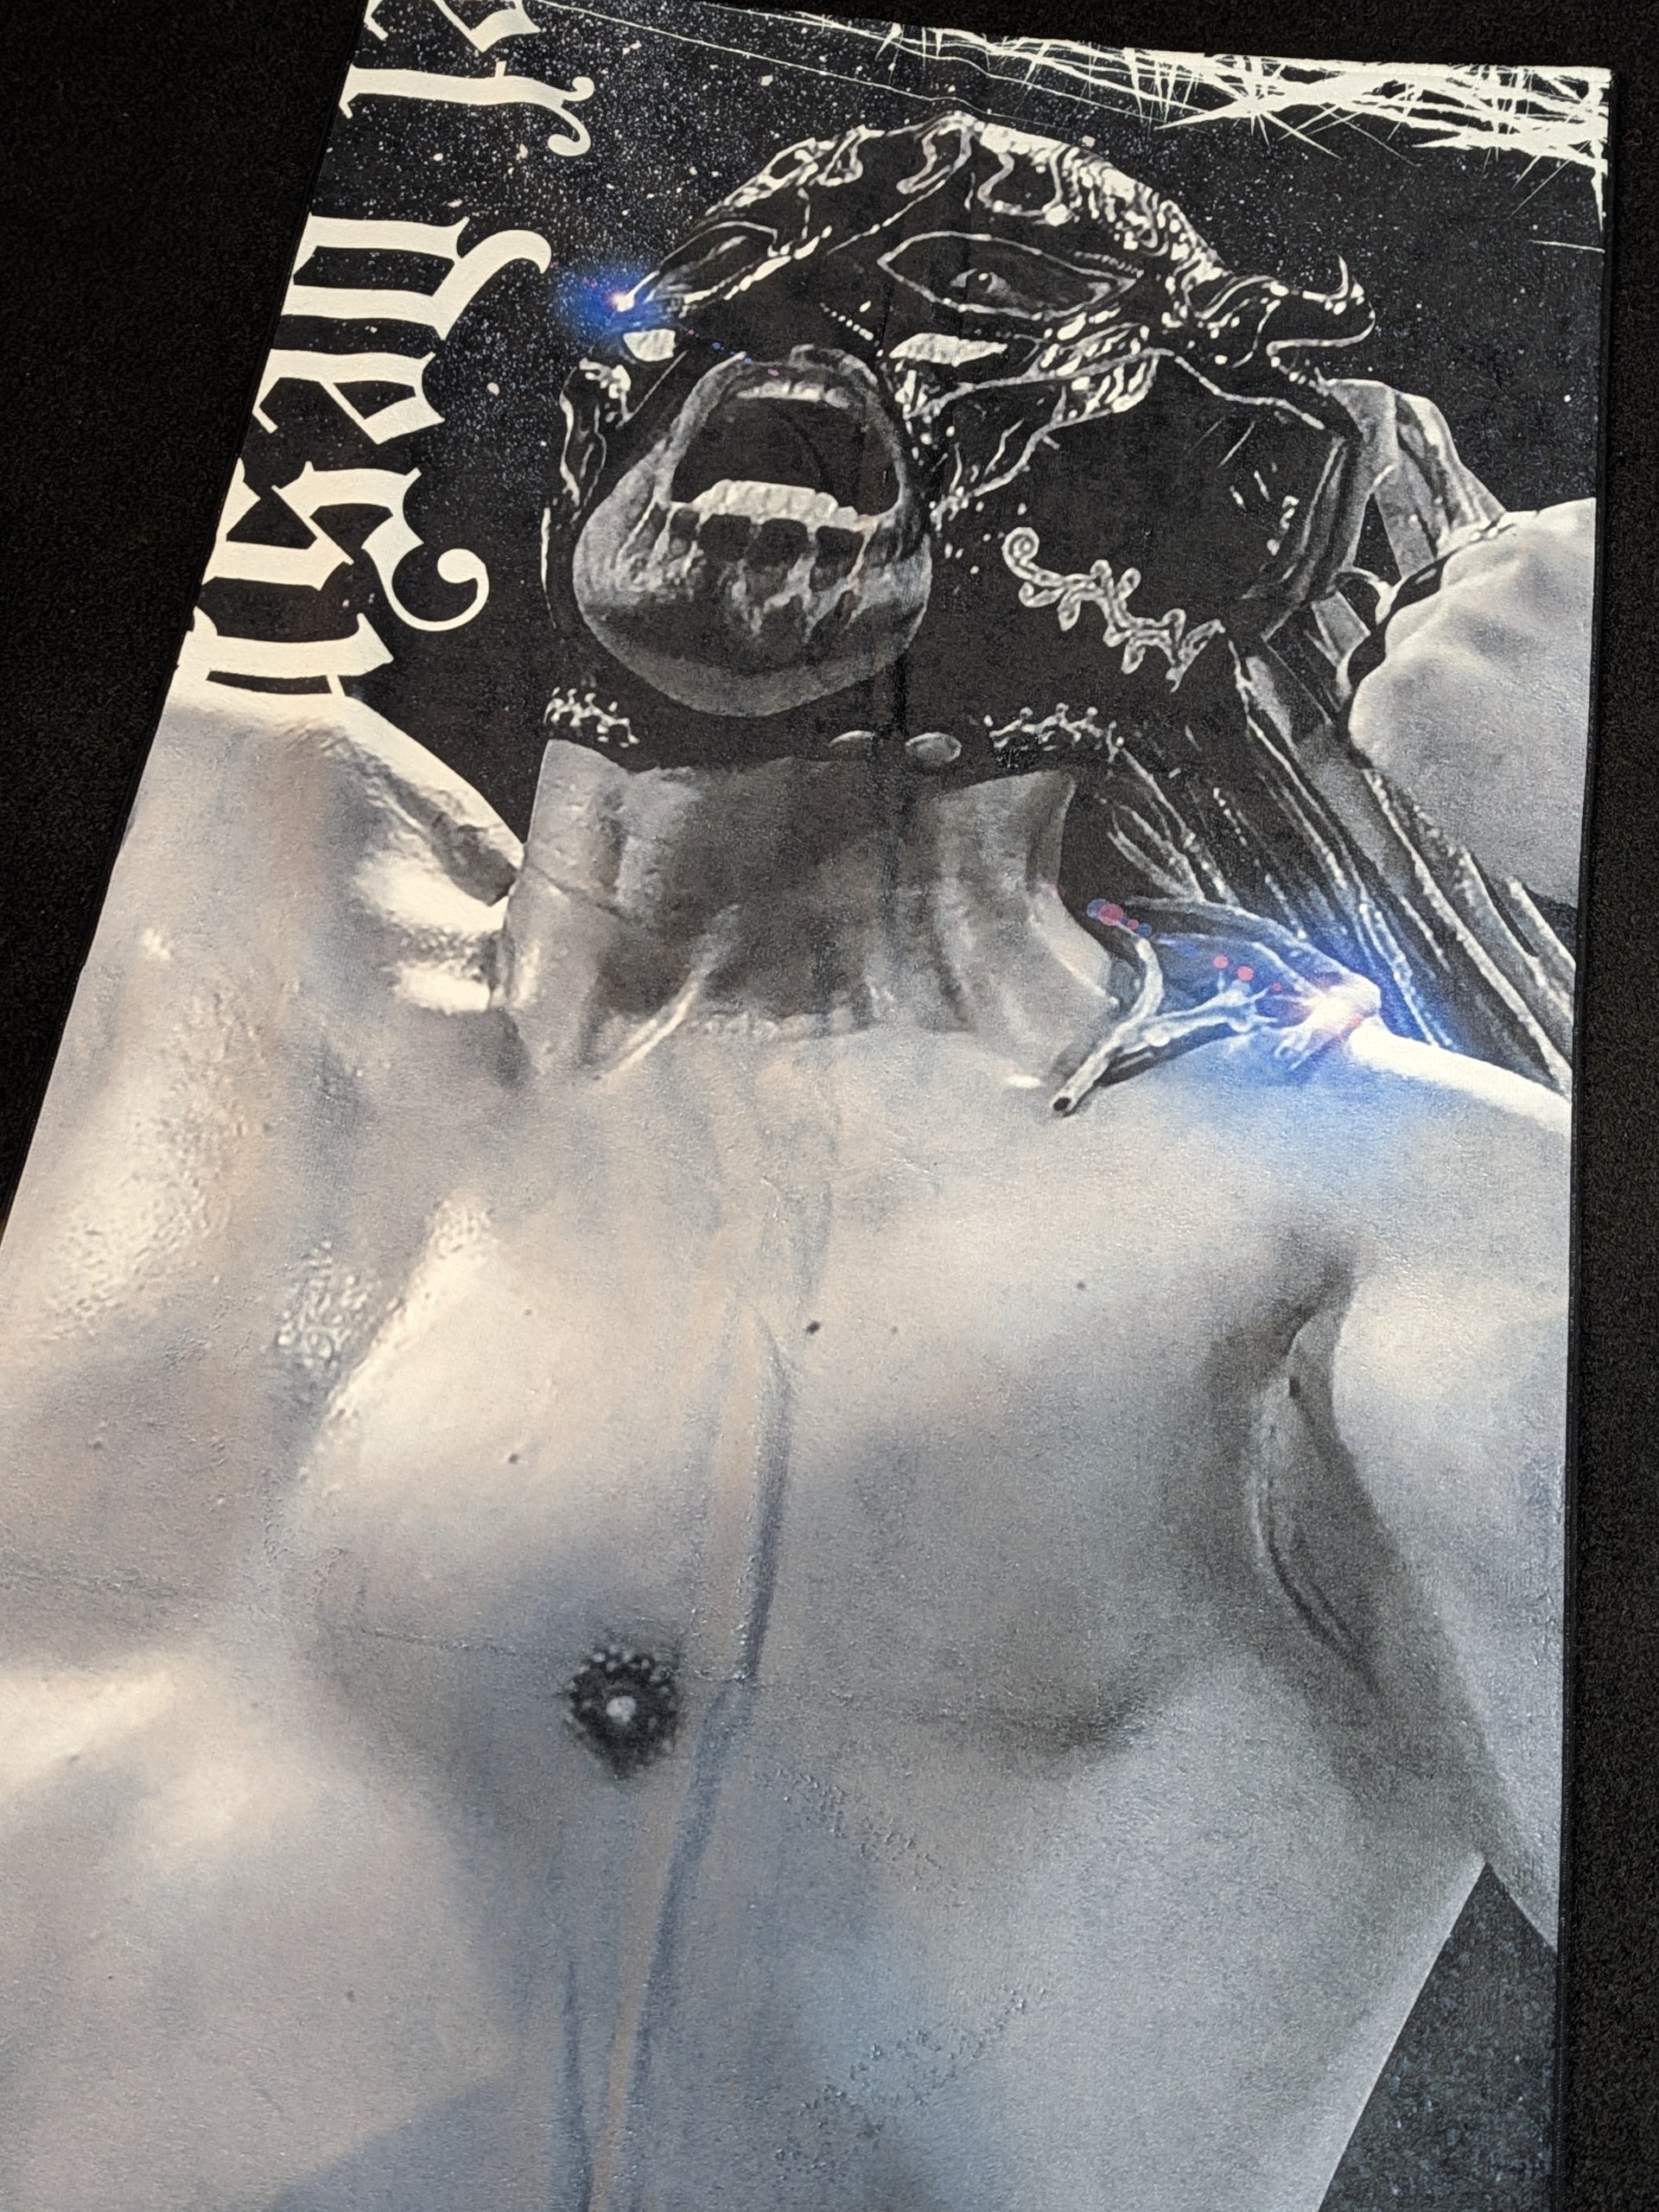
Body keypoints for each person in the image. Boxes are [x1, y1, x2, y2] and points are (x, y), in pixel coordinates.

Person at [0, 111, 1582, 2212]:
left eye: (969, 295)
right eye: (751, 265)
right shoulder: (192, 851)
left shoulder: (1365, 1231)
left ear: (1232, 506)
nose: (801, 320)